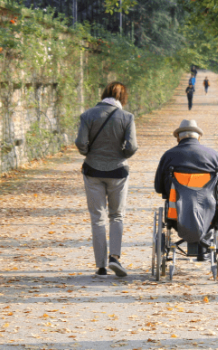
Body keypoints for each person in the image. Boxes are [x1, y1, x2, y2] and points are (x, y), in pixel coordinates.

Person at [75, 82, 138, 278]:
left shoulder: (88, 115)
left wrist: (88, 153)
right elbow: (132, 146)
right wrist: (122, 155)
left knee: (98, 219)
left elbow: (80, 143)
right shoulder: (127, 117)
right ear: (123, 98)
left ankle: (101, 266)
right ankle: (115, 258)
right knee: (117, 216)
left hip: (93, 170)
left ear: (103, 95)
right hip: (118, 172)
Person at [154, 119, 218, 260]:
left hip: (176, 214)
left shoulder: (169, 156)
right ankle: (203, 249)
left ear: (178, 137)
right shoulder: (213, 156)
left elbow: (159, 188)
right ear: (199, 137)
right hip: (208, 215)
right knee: (207, 204)